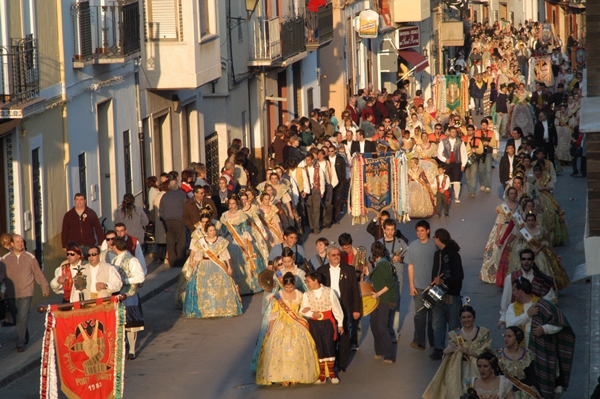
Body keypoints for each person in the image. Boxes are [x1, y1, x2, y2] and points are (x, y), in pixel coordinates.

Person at [506, 278, 575, 399]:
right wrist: (527, 315)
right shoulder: (512, 307)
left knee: (542, 388)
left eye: (514, 290)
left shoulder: (542, 304)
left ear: (521, 291)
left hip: (541, 354)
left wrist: (545, 329)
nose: (513, 293)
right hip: (519, 356)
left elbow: (560, 323)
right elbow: (510, 325)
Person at [255, 272, 319, 386]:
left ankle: (296, 375)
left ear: (294, 284)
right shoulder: (279, 295)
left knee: (298, 346)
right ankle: (283, 376)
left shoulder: (299, 294)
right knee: (281, 346)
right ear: (283, 285)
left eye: (291, 286)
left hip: (296, 322)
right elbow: (274, 313)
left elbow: (303, 309)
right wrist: (270, 329)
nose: (289, 289)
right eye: (286, 287)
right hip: (281, 323)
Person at [422, 305, 492, 399]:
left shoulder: (483, 333)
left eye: (469, 317)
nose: (466, 320)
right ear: (460, 319)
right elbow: (449, 359)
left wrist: (469, 352)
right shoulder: (454, 335)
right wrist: (446, 352)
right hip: (459, 372)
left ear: (474, 318)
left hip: (478, 372)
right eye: (464, 317)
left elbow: (486, 352)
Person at [176, 223, 242, 318]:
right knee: (205, 288)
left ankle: (222, 309)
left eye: (214, 230)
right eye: (210, 230)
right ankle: (207, 310)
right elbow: (198, 255)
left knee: (220, 288)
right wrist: (195, 267)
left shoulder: (220, 241)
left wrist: (229, 266)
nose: (213, 232)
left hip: (218, 266)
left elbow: (225, 254)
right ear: (206, 232)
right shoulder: (201, 242)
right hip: (204, 266)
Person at [316, 246, 361, 372]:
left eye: (338, 254)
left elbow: (355, 291)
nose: (336, 256)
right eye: (333, 255)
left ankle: (342, 364)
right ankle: (332, 361)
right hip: (328, 307)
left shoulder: (349, 270)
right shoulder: (321, 270)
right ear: (328, 256)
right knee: (329, 335)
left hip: (344, 305)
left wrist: (356, 309)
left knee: (344, 335)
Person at [4, 234, 50, 352]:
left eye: (22, 242)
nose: (21, 244)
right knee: (16, 318)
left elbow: (38, 273)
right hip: (12, 293)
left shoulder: (30, 257)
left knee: (22, 317)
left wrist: (45, 286)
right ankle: (24, 335)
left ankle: (20, 344)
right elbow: (1, 275)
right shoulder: (5, 259)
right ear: (12, 244)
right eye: (17, 242)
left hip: (26, 292)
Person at [301, 271, 344, 384]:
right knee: (318, 346)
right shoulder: (306, 294)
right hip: (315, 324)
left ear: (316, 280)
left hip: (327, 323)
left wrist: (340, 323)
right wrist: (311, 314)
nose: (307, 283)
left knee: (329, 345)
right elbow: (302, 310)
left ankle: (332, 373)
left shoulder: (329, 292)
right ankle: (322, 375)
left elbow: (336, 308)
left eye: (308, 281)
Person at [498, 249, 555, 329]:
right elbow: (506, 299)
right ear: (520, 260)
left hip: (537, 319)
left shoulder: (543, 279)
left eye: (529, 259)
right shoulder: (511, 278)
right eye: (523, 259)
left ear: (533, 260)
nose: (526, 262)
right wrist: (503, 317)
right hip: (517, 317)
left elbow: (549, 301)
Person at [430, 228, 464, 360]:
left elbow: (459, 276)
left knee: (454, 324)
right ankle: (439, 349)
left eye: (435, 237)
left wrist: (443, 281)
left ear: (438, 238)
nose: (434, 240)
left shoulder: (453, 255)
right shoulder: (437, 254)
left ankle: (455, 349)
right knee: (437, 323)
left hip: (452, 295)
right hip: (438, 295)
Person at [221, 196, 266, 294]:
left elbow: (245, 230)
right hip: (230, 242)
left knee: (247, 260)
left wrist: (246, 244)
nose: (231, 206)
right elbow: (223, 230)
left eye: (233, 203)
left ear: (237, 204)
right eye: (230, 204)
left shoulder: (241, 214)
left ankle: (251, 286)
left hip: (241, 240)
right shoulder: (224, 216)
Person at [110, 237, 145, 360]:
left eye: (112, 245)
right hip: (118, 295)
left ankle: (132, 349)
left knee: (131, 324)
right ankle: (122, 347)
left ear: (115, 247)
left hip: (130, 295)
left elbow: (140, 277)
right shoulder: (114, 260)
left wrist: (125, 280)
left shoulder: (132, 260)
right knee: (120, 322)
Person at [405, 220, 437, 351]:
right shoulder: (412, 246)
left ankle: (434, 341)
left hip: (433, 287)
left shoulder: (434, 245)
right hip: (418, 286)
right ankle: (419, 341)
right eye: (417, 231)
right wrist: (411, 286)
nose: (420, 234)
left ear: (428, 231)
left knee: (433, 315)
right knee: (419, 314)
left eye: (422, 231)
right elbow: (410, 267)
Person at [363, 241, 396, 363]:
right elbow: (375, 280)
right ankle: (379, 350)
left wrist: (378, 294)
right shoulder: (379, 264)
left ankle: (389, 355)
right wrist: (368, 273)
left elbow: (389, 283)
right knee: (374, 325)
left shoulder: (383, 265)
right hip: (376, 299)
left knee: (382, 326)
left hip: (384, 299)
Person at [51, 245, 122, 302]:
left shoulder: (109, 268)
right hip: (87, 304)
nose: (91, 257)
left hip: (104, 303)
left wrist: (106, 286)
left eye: (93, 254)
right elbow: (76, 291)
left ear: (99, 255)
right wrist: (74, 306)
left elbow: (118, 283)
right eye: (89, 255)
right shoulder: (82, 270)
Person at [480, 187, 520, 284]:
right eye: (511, 193)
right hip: (503, 229)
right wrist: (498, 236)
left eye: (514, 193)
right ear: (508, 194)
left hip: (515, 230)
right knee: (497, 252)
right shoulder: (503, 207)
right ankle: (495, 276)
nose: (513, 195)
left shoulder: (519, 205)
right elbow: (500, 221)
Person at [379, 218, 407, 343]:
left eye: (392, 230)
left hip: (397, 278)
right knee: (384, 306)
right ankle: (385, 331)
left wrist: (400, 259)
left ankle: (394, 332)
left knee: (396, 306)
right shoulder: (379, 243)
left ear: (395, 230)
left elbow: (408, 258)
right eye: (388, 230)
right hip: (383, 280)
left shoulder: (401, 243)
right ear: (384, 230)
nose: (390, 232)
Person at [497, 326, 543, 399]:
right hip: (507, 393)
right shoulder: (499, 355)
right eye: (505, 336)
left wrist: (540, 395)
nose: (506, 339)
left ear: (517, 338)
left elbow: (532, 376)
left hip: (527, 393)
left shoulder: (527, 353)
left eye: (509, 336)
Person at [159, 179, 188, 268]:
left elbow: (161, 210)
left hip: (168, 221)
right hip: (179, 220)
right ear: (176, 186)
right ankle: (180, 260)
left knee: (170, 240)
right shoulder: (182, 195)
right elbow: (186, 207)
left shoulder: (164, 196)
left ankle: (172, 261)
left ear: (168, 187)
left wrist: (164, 219)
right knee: (181, 240)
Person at [437, 126, 467, 203]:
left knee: (457, 180)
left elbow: (463, 153)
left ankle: (456, 196)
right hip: (447, 163)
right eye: (452, 132)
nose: (454, 133)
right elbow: (439, 153)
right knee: (447, 179)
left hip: (457, 163)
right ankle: (448, 195)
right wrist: (445, 159)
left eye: (455, 132)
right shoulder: (443, 142)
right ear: (449, 132)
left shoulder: (460, 142)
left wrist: (463, 164)